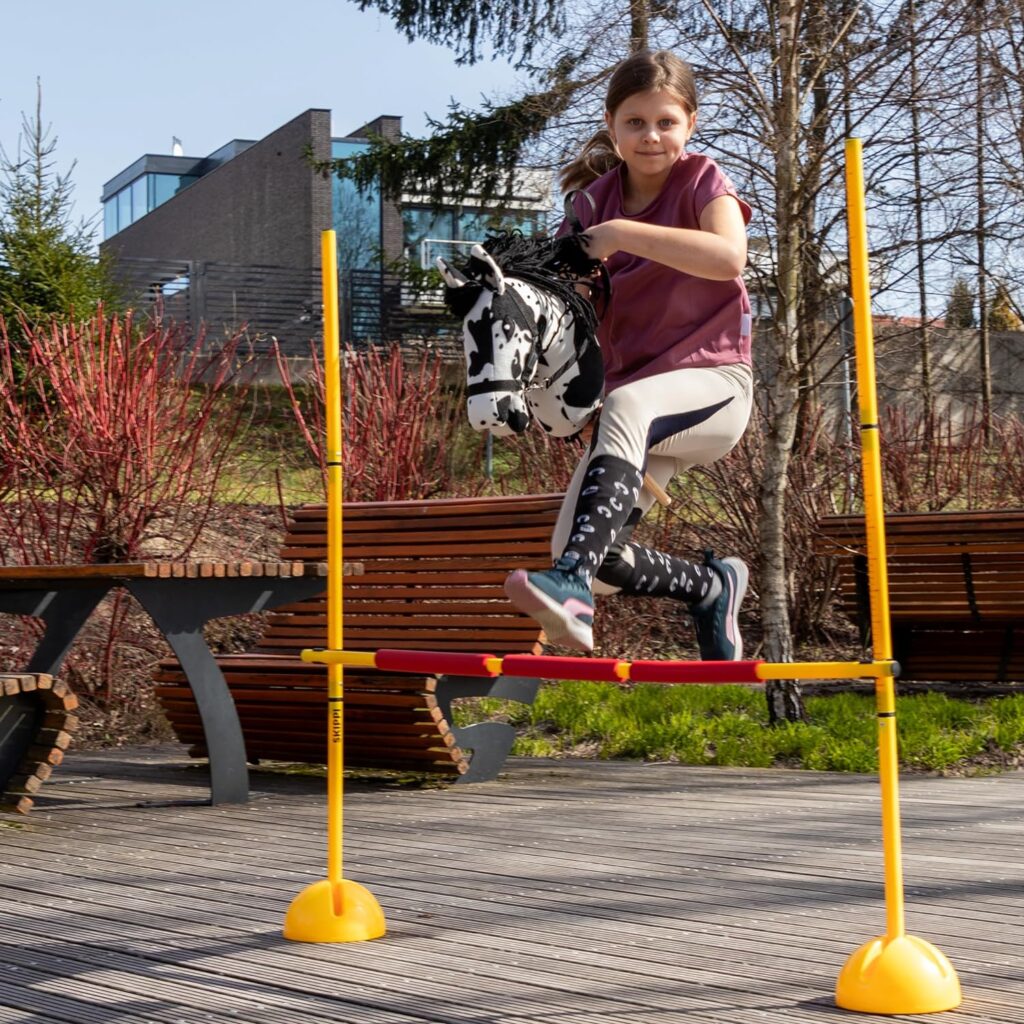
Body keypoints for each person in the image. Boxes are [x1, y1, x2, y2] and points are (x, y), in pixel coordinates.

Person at [504, 48, 754, 659]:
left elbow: (728, 258)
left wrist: (616, 236)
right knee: (595, 559)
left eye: (666, 122)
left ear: (689, 125)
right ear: (612, 126)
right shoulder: (588, 207)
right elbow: (557, 309)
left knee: (628, 406)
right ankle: (710, 585)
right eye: (635, 122)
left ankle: (568, 589)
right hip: (634, 411)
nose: (651, 136)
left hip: (713, 385)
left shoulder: (703, 182)